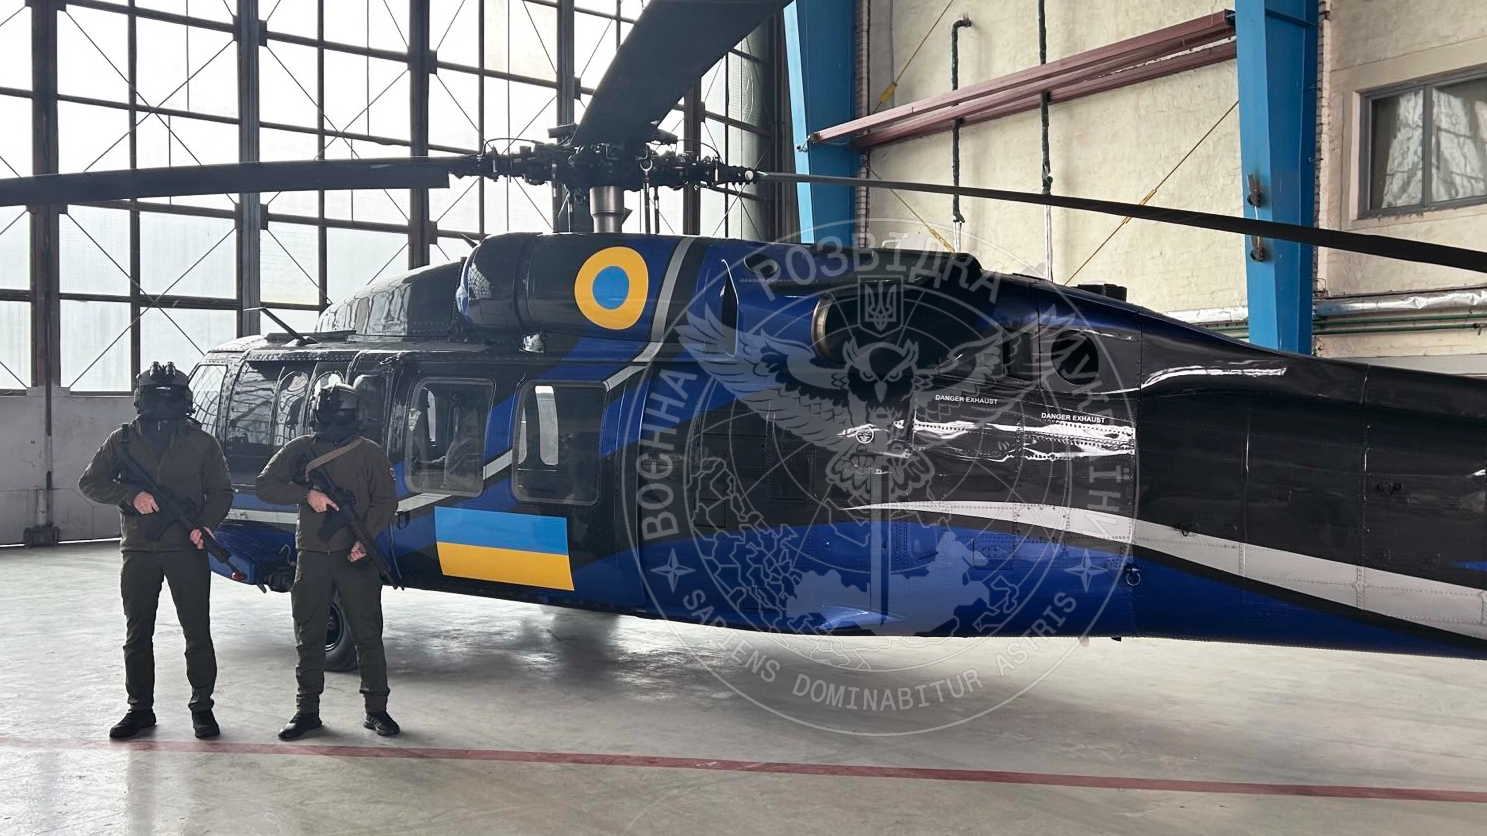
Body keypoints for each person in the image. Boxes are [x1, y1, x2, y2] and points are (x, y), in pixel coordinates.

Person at [78, 362, 233, 741]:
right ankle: (139, 709)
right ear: (142, 399)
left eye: (170, 396)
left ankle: (202, 707)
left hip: (186, 546)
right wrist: (130, 495)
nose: (163, 403)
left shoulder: (202, 442)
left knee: (197, 631)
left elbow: (221, 492)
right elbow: (91, 482)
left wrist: (206, 524)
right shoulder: (121, 441)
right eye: (156, 395)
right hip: (139, 548)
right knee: (138, 632)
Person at [255, 381, 399, 740]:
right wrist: (306, 495)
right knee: (309, 633)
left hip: (356, 556)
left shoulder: (370, 454)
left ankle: (376, 710)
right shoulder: (300, 449)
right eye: (328, 414)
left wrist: (366, 539)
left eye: (340, 415)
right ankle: (307, 711)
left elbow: (386, 502)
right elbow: (265, 485)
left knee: (367, 632)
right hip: (313, 556)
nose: (333, 421)